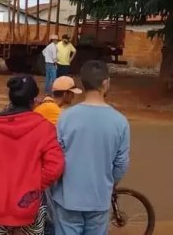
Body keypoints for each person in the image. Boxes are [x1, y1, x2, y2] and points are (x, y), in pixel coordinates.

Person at [0, 75, 65, 235]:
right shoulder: (43, 128)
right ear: (33, 100)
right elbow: (55, 166)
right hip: (29, 205)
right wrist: (36, 185)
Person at [51, 60, 130, 235]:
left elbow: (56, 157)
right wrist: (108, 183)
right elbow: (121, 164)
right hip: (99, 198)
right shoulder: (120, 121)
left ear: (83, 84)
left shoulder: (66, 118)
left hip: (67, 198)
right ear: (105, 83)